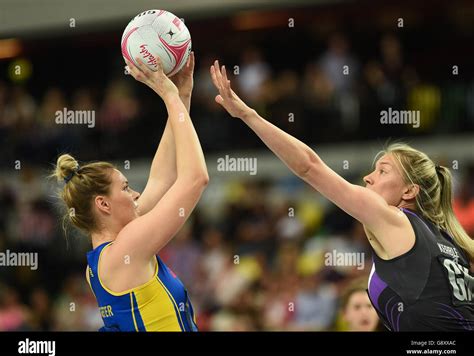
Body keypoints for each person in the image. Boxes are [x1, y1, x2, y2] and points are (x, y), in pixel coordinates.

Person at [209, 60, 474, 331]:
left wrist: (247, 114)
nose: (368, 177)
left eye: (382, 171)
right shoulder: (454, 245)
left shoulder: (394, 218)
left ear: (409, 190)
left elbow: (309, 166)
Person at [52, 53, 208, 331]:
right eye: (125, 188)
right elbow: (195, 179)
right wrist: (169, 97)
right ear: (103, 204)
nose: (136, 194)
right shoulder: (127, 248)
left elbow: (162, 178)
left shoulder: (102, 262)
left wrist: (181, 98)